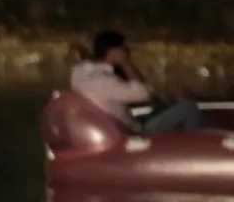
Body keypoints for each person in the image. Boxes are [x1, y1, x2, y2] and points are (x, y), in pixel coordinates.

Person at [70, 30, 204, 133]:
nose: (128, 52)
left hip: (123, 124)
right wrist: (125, 62)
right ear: (115, 51)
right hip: (134, 134)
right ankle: (197, 147)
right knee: (188, 107)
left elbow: (144, 95)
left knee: (167, 104)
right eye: (124, 49)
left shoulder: (79, 72)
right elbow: (143, 93)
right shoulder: (104, 81)